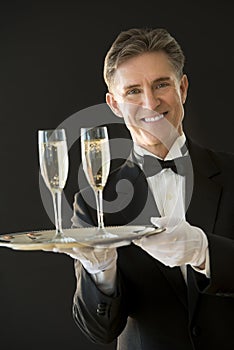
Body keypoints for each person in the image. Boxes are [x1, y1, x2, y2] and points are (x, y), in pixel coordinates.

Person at [55, 28, 234, 349]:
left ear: (183, 87)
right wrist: (101, 272)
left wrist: (204, 252)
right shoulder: (93, 202)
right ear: (114, 104)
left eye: (161, 84)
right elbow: (99, 331)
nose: (150, 102)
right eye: (133, 91)